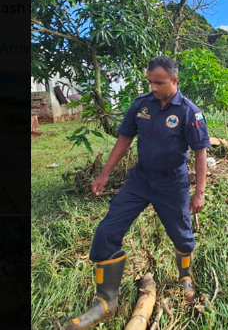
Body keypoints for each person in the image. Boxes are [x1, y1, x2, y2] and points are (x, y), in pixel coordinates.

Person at [67, 56, 211, 330]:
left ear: (174, 81)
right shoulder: (141, 106)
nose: (154, 87)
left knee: (181, 233)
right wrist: (105, 172)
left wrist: (199, 192)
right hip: (141, 179)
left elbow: (200, 152)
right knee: (107, 230)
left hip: (172, 183)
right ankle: (106, 301)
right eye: (150, 82)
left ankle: (185, 276)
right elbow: (124, 139)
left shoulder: (189, 112)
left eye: (159, 83)